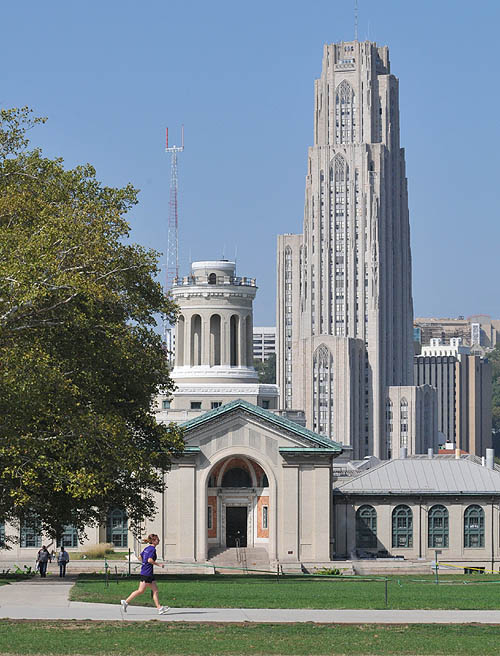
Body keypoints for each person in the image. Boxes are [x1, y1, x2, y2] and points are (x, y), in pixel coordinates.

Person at [120, 534, 169, 615]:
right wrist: (159, 565)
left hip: (146, 572)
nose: (159, 540)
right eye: (157, 539)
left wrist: (144, 562)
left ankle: (159, 608)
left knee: (154, 590)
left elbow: (140, 557)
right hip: (147, 573)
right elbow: (150, 560)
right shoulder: (152, 549)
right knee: (142, 590)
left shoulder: (146, 548)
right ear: (153, 541)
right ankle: (126, 601)